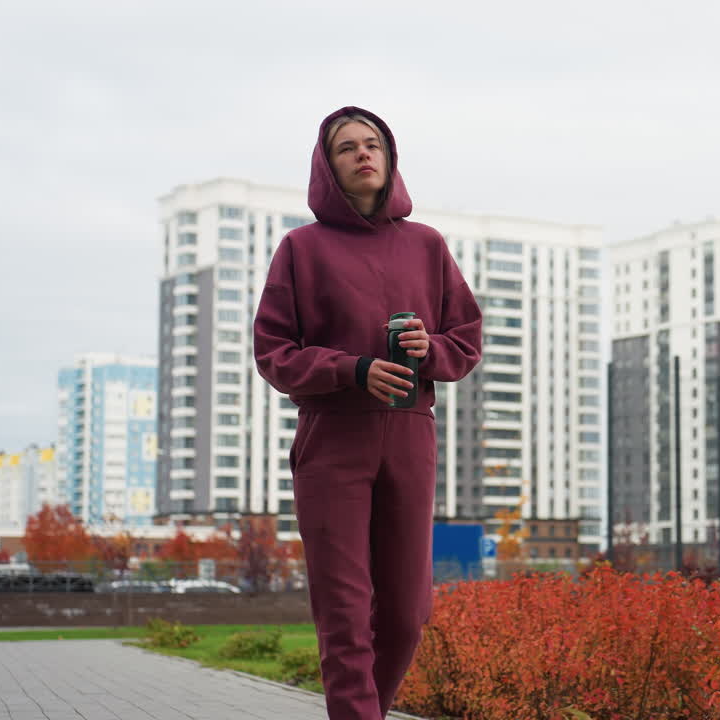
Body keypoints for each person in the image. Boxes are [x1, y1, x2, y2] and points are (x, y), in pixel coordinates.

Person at [254, 106, 482, 719]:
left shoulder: (427, 245)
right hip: (332, 438)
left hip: (410, 435)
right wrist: (353, 369)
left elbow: (466, 338)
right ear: (327, 167)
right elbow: (274, 353)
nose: (362, 153)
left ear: (389, 157)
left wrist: (429, 349)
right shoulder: (301, 249)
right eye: (346, 147)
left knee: (407, 615)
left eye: (373, 143)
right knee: (345, 614)